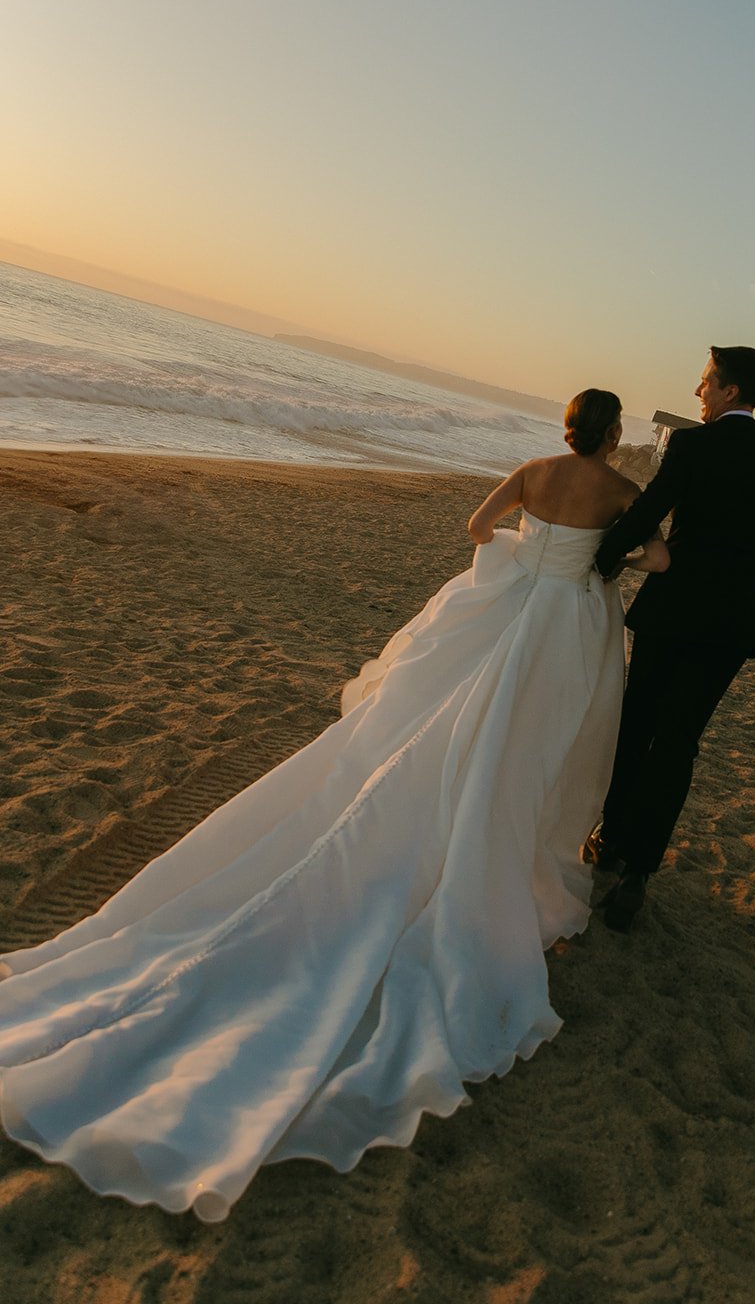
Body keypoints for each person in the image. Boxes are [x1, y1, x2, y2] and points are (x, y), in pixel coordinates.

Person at [0, 390, 666, 1221]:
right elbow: (659, 562)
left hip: (502, 612)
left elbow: (474, 530)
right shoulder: (623, 495)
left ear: (566, 426)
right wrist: (605, 562)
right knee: (517, 751)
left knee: (423, 726)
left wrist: (524, 558)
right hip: (558, 627)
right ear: (610, 435)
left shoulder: (531, 470)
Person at [584, 346, 755, 932]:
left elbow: (649, 511)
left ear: (731, 393)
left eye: (705, 384)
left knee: (637, 721)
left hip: (673, 609)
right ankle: (638, 874)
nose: (699, 393)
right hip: (731, 623)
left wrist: (605, 554)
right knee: (678, 742)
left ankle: (612, 840)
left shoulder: (693, 445)